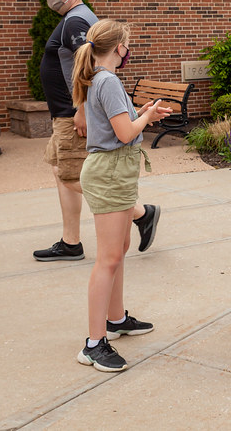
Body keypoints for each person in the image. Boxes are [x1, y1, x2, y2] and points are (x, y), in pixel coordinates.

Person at [35, 0, 159, 262]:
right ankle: (71, 241)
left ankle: (140, 213)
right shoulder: (71, 19)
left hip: (71, 114)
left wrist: (81, 110)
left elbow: (90, 68)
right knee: (61, 170)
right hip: (65, 112)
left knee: (74, 175)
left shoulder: (77, 20)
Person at [72, 19, 171, 372]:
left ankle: (115, 321)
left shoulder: (99, 78)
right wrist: (142, 120)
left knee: (119, 251)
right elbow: (126, 134)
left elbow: (119, 126)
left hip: (114, 172)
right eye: (127, 44)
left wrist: (144, 113)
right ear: (118, 48)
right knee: (108, 259)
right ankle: (94, 344)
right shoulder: (108, 80)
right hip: (110, 173)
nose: (128, 50)